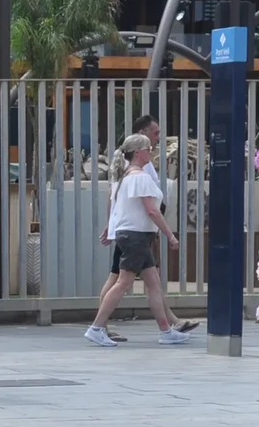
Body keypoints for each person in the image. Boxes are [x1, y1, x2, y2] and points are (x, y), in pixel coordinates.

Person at [85, 121, 199, 347]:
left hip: (135, 235)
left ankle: (166, 331)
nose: (152, 151)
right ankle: (96, 327)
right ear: (138, 153)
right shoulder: (140, 178)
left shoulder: (123, 176)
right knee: (123, 282)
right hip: (137, 235)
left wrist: (112, 228)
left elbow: (116, 205)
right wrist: (170, 235)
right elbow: (152, 210)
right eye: (149, 148)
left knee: (153, 283)